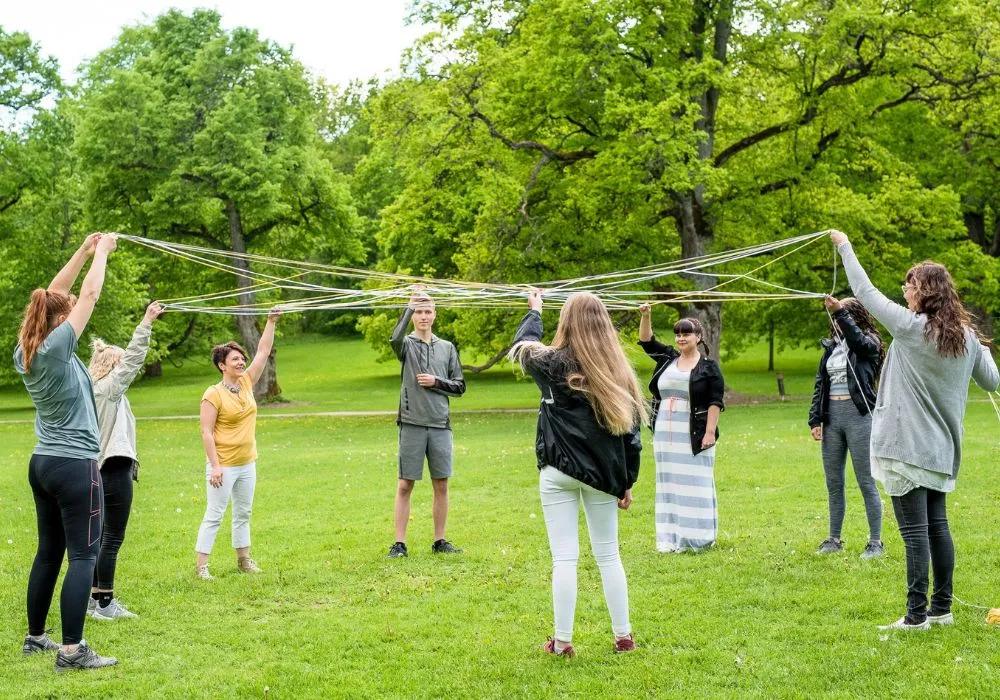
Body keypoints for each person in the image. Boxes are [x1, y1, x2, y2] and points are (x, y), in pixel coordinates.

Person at [830, 229, 999, 630]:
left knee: (915, 533)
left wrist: (844, 245)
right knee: (937, 527)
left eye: (912, 283)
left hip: (907, 447)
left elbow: (865, 293)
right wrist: (984, 349)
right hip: (942, 450)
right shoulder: (967, 339)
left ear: (928, 292)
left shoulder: (910, 326)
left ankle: (916, 615)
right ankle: (941, 610)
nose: (905, 288)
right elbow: (992, 382)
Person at [511, 290, 644, 657]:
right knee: (608, 555)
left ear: (566, 321)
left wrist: (535, 310)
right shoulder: (618, 371)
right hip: (602, 475)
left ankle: (563, 641)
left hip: (557, 471)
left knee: (564, 557)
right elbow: (632, 438)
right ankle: (623, 637)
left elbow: (522, 343)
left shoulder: (551, 364)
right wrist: (626, 481)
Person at [15, 232, 119, 671]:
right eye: (67, 308)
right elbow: (89, 294)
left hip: (43, 464)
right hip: (74, 464)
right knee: (83, 555)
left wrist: (84, 250)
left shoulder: (27, 350)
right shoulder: (58, 348)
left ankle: (36, 637)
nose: (73, 307)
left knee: (48, 552)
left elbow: (54, 295)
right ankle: (73, 651)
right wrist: (105, 255)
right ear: (60, 319)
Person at [86, 301, 163, 620]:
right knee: (111, 538)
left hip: (94, 469)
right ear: (112, 366)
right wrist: (146, 322)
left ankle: (93, 600)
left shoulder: (92, 390)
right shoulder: (109, 388)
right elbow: (133, 360)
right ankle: (105, 603)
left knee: (98, 538)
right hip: (113, 468)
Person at [194, 308, 281, 579]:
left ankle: (243, 560)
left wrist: (270, 322)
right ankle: (202, 567)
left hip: (247, 462)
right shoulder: (213, 394)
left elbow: (263, 352)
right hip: (224, 465)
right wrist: (216, 467)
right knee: (215, 514)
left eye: (242, 358)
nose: (241, 362)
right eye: (235, 359)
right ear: (222, 365)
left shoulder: (245, 383)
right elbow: (206, 432)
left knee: (243, 512)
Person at [386, 287, 466, 559]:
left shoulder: (447, 348)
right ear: (413, 316)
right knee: (405, 484)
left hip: (440, 424)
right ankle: (399, 544)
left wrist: (436, 382)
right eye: (418, 312)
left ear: (434, 315)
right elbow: (393, 338)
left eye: (427, 311)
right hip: (411, 422)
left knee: (441, 483)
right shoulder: (406, 345)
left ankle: (440, 540)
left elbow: (459, 386)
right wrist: (408, 305)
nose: (423, 316)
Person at [638, 306, 725, 553]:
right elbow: (646, 341)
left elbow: (715, 402)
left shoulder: (709, 367)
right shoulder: (668, 358)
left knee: (694, 482)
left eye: (686, 334)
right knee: (669, 482)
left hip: (695, 432)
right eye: (678, 334)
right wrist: (646, 315)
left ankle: (697, 537)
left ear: (698, 337)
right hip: (666, 431)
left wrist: (709, 433)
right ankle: (670, 538)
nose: (681, 338)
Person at [808, 296, 885, 558]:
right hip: (832, 418)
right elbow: (821, 384)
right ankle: (834, 539)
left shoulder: (869, 342)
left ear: (853, 317)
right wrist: (815, 419)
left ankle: (875, 542)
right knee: (834, 482)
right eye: (836, 317)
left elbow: (859, 341)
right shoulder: (831, 348)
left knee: (866, 480)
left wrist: (841, 313)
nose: (837, 322)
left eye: (842, 316)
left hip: (859, 416)